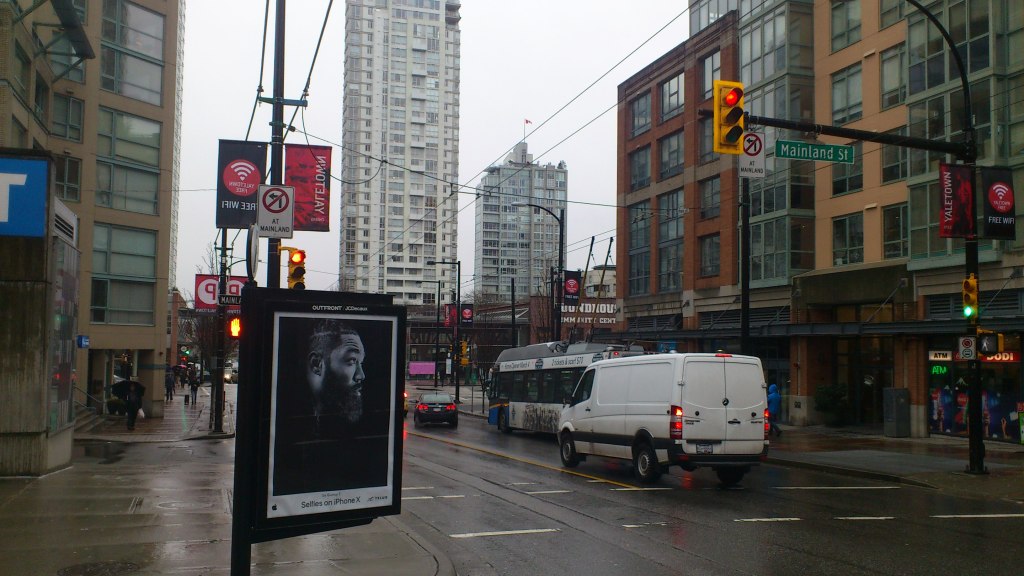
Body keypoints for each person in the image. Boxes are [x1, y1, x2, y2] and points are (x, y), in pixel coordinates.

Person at [272, 317, 390, 496]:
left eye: (361, 363)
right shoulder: (284, 431)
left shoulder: (364, 440)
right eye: (351, 361)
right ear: (316, 364)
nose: (361, 375)